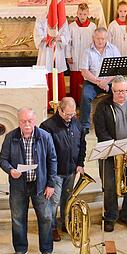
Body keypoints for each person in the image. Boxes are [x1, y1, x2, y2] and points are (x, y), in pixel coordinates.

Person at [0, 108, 59, 254]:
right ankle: (20, 249)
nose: (26, 124)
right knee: (18, 218)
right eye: (23, 121)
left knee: (46, 217)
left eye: (29, 121)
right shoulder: (10, 137)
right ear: (18, 121)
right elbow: (3, 160)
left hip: (40, 185)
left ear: (35, 120)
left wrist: (51, 183)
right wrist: (11, 170)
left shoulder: (44, 137)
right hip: (19, 186)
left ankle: (46, 250)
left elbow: (52, 160)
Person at [94, 76, 127, 232]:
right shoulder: (103, 106)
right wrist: (118, 149)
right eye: (118, 91)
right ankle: (110, 216)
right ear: (112, 90)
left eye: (124, 91)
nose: (121, 94)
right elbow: (101, 131)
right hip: (110, 154)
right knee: (110, 186)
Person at [39, 97, 86, 240]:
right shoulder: (47, 126)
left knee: (68, 199)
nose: (70, 117)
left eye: (73, 114)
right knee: (53, 202)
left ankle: (66, 223)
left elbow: (82, 144)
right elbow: (46, 153)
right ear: (59, 109)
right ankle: (52, 228)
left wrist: (80, 163)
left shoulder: (76, 123)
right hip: (56, 173)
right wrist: (50, 177)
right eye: (67, 114)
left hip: (71, 170)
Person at [79, 27, 122, 131]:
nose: (100, 41)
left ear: (106, 38)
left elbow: (117, 69)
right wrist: (99, 82)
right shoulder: (87, 51)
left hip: (110, 82)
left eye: (103, 39)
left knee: (121, 94)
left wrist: (106, 82)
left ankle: (119, 121)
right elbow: (84, 71)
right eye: (98, 38)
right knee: (85, 96)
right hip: (92, 82)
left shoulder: (113, 49)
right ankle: (85, 126)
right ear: (93, 38)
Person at [34, 13, 69, 108]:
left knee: (57, 73)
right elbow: (37, 36)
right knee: (46, 74)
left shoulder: (62, 19)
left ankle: (60, 104)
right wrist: (47, 38)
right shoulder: (41, 19)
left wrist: (59, 38)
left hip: (57, 51)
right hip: (45, 52)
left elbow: (66, 37)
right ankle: (46, 104)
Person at [66, 3, 96, 103]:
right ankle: (75, 102)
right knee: (75, 80)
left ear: (88, 14)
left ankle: (85, 101)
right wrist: (68, 55)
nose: (82, 16)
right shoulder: (72, 26)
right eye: (80, 14)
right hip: (75, 57)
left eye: (84, 14)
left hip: (88, 58)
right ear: (77, 14)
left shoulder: (92, 27)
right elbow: (68, 43)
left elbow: (94, 43)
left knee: (86, 79)